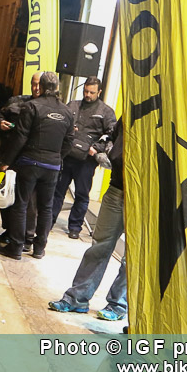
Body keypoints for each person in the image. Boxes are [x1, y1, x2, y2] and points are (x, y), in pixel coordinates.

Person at [48, 118, 127, 321]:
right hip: (117, 187)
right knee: (99, 246)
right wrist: (108, 155)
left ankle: (118, 305)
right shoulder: (132, 110)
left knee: (133, 257)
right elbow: (112, 136)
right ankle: (77, 299)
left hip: (148, 198)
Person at [0, 72, 73, 260]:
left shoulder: (32, 106)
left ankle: (16, 247)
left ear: (42, 87)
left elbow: (20, 137)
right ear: (57, 88)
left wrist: (6, 162)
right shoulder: (67, 112)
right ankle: (39, 249)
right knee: (46, 207)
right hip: (52, 166)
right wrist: (56, 157)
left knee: (21, 204)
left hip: (30, 163)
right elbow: (69, 141)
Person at [51, 76, 116, 238]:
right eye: (86, 91)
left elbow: (112, 134)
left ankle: (75, 227)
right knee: (57, 191)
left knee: (81, 194)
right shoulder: (72, 105)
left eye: (92, 92)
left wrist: (96, 149)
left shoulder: (106, 112)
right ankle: (49, 221)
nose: (88, 95)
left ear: (99, 92)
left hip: (86, 160)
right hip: (67, 156)